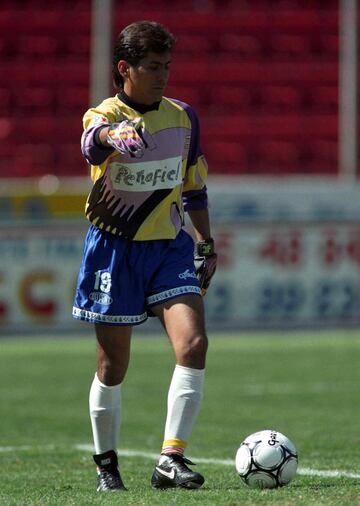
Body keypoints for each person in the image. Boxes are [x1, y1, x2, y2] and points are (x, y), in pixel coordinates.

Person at [72, 20, 217, 492]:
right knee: (112, 366)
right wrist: (112, 138)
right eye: (152, 67)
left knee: (193, 345)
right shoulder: (104, 114)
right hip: (114, 250)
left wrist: (206, 243)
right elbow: (90, 141)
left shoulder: (183, 118)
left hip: (169, 248)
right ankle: (106, 464)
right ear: (124, 68)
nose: (162, 76)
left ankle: (170, 459)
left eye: (166, 66)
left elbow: (194, 189)